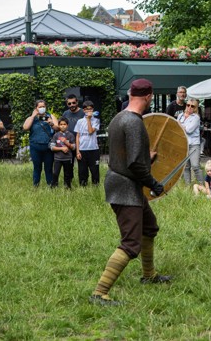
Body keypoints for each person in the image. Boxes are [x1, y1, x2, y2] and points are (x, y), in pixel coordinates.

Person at [90, 78, 169, 306]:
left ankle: (149, 275)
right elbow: (134, 163)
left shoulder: (118, 118)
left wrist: (147, 158)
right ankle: (99, 293)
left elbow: (127, 155)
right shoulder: (134, 122)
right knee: (130, 243)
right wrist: (153, 183)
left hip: (124, 183)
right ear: (149, 97)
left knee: (149, 227)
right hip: (126, 187)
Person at [23, 100, 58, 186]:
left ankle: (50, 185)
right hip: (35, 146)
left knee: (49, 167)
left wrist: (51, 123)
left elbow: (57, 128)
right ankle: (36, 185)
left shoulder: (51, 116)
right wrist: (32, 116)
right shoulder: (31, 118)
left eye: (43, 106)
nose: (42, 108)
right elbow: (25, 127)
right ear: (36, 108)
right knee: (37, 167)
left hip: (48, 147)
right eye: (40, 107)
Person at [74, 101, 100, 186]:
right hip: (82, 149)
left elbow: (90, 131)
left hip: (93, 149)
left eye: (91, 109)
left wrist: (89, 119)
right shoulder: (79, 121)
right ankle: (83, 185)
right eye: (87, 109)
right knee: (82, 171)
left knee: (95, 170)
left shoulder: (96, 120)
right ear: (84, 110)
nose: (89, 111)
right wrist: (77, 151)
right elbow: (77, 136)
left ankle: (95, 185)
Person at [178, 98, 203, 185]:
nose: (189, 107)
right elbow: (177, 129)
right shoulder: (180, 115)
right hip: (183, 143)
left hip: (194, 144)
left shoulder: (196, 117)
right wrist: (182, 127)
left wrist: (181, 125)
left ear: (196, 108)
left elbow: (189, 129)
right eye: (188, 105)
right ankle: (188, 188)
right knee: (186, 167)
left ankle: (202, 185)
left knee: (195, 166)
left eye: (192, 106)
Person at [49, 117, 75, 188]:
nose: (63, 126)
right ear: (58, 125)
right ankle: (54, 186)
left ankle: (67, 186)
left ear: (67, 125)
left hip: (68, 158)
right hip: (58, 159)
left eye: (64, 124)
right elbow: (52, 147)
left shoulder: (70, 135)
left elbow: (74, 147)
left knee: (67, 174)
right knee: (55, 173)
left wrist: (67, 143)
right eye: (61, 124)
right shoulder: (56, 135)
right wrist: (61, 148)